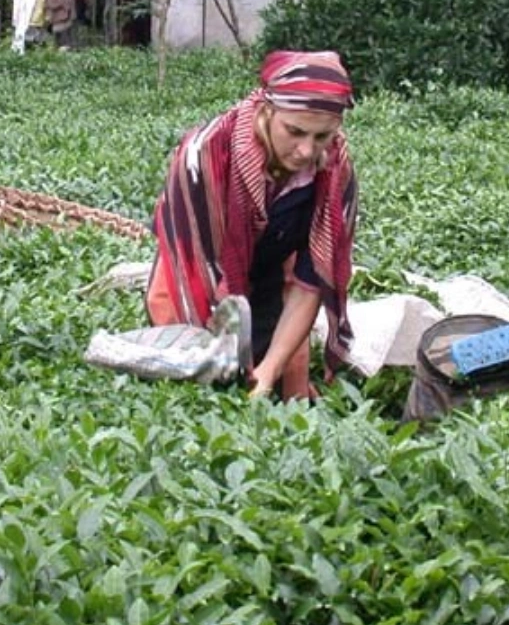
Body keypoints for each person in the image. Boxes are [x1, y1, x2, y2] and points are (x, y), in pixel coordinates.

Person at [147, 50, 358, 400]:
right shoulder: (207, 154)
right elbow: (197, 263)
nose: (306, 151)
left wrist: (269, 369)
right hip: (192, 277)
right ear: (266, 110)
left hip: (269, 276)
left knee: (275, 387)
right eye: (295, 131)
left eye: (322, 137)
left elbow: (310, 282)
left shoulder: (335, 174)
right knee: (196, 385)